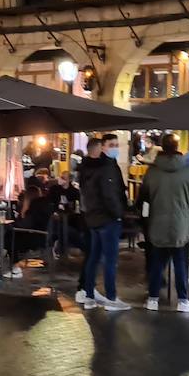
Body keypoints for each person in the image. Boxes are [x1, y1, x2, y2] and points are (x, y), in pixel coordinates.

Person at [140, 133, 189, 312]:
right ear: (177, 148)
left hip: (156, 222)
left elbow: (143, 196)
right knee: (180, 262)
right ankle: (183, 301)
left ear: (162, 147)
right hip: (180, 224)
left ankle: (152, 299)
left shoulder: (152, 172)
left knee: (157, 262)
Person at [78, 133, 129, 310]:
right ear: (103, 147)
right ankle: (111, 298)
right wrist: (119, 213)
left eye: (117, 144)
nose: (115, 148)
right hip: (107, 219)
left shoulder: (88, 167)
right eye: (111, 145)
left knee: (94, 257)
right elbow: (110, 194)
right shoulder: (107, 167)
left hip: (93, 218)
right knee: (109, 259)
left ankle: (89, 295)